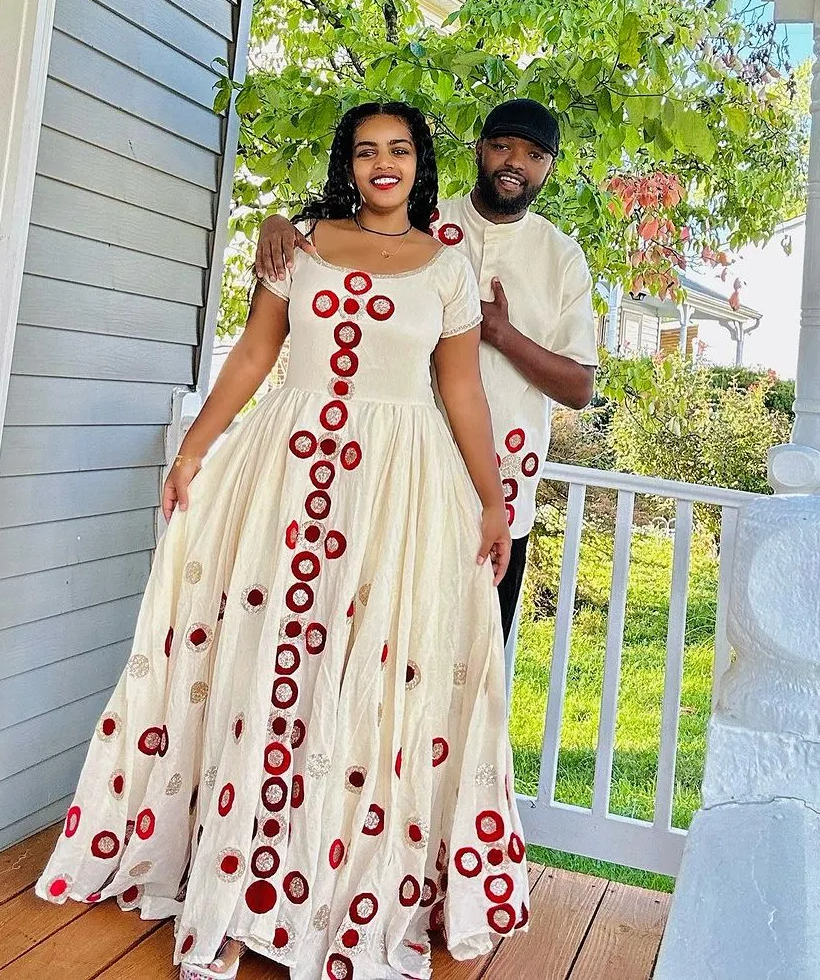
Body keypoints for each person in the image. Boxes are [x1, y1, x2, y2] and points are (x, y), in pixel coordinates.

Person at [35, 102, 530, 980]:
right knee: (267, 667)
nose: (385, 164)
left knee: (373, 678)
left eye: (401, 150)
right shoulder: (296, 244)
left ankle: (339, 890)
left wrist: (493, 503)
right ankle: (225, 903)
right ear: (349, 161)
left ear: (422, 164)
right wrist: (194, 450)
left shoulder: (450, 266)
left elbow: (464, 393)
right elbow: (255, 356)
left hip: (401, 489)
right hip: (288, 478)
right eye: (368, 150)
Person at [258, 98, 598, 642]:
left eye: (535, 154)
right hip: (394, 477)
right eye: (502, 146)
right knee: (372, 645)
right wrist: (280, 223)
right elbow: (347, 234)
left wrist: (501, 334)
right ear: (478, 149)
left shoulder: (562, 259)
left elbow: (580, 387)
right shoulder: (425, 224)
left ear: (550, 166)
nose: (515, 162)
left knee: (468, 660)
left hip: (501, 494)